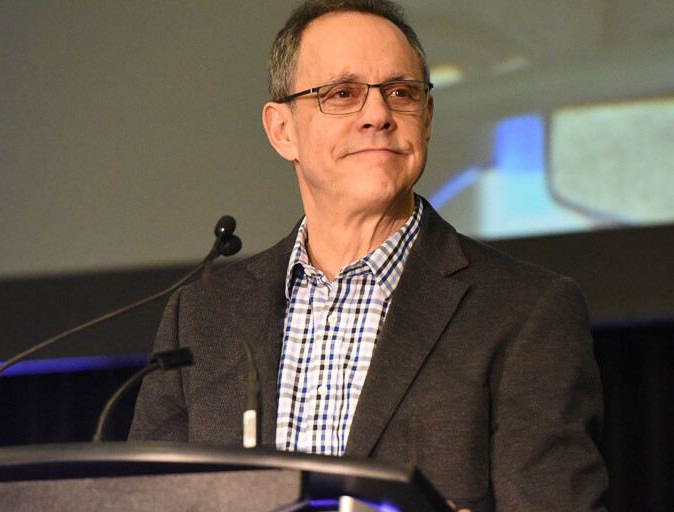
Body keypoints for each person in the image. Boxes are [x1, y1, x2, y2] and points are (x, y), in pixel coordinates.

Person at [130, 1, 608, 510]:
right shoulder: (203, 316)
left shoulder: (525, 311)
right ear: (281, 130)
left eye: (400, 93)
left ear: (425, 119)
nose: (378, 115)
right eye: (342, 94)